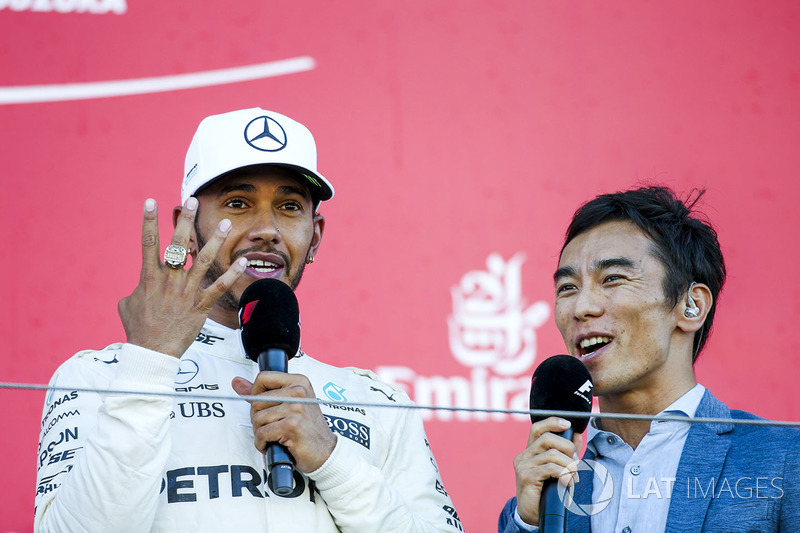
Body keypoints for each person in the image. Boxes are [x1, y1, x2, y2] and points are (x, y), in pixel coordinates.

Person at [35, 108, 463, 532]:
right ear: (186, 226)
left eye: (289, 206)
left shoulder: (379, 402)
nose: (267, 229)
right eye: (237, 203)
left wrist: (334, 461)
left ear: (315, 236)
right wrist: (149, 364)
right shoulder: (96, 377)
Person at [498, 186, 800, 532]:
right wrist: (530, 522)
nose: (581, 308)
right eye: (568, 288)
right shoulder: (543, 497)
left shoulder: (784, 459)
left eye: (612, 279)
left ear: (692, 306)